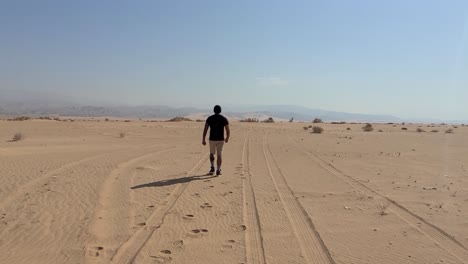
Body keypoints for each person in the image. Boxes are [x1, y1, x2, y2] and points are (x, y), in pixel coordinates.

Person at [202, 105, 230, 176]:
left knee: (211, 153)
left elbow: (205, 129)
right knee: (219, 155)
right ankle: (218, 169)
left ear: (214, 110)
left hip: (212, 139)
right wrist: (227, 138)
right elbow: (227, 130)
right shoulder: (224, 119)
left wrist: (203, 139)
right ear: (220, 111)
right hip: (220, 139)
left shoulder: (210, 118)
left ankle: (212, 167)